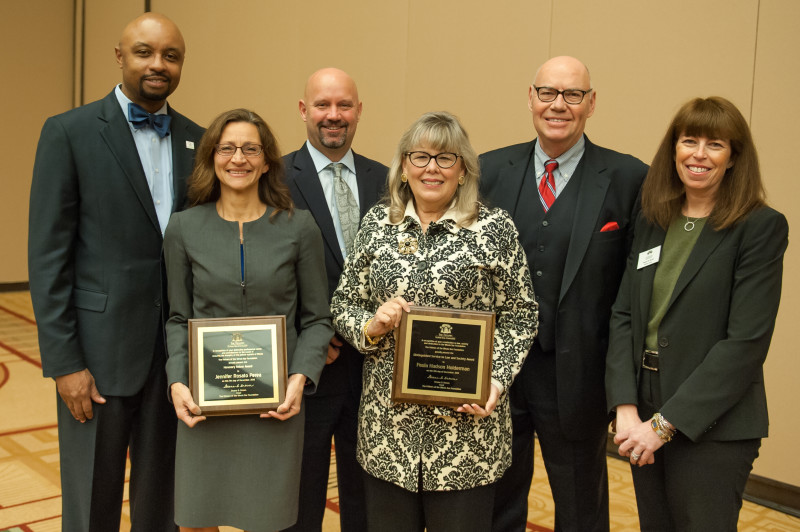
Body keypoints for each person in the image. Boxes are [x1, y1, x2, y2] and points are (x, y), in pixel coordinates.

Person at [27, 13, 203, 531]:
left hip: (172, 357)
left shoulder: (198, 139)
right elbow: (48, 258)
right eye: (145, 52)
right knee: (91, 500)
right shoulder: (69, 132)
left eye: (171, 55)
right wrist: (64, 363)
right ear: (120, 56)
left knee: (164, 501)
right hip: (97, 359)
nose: (158, 64)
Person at [331, 111, 538, 532]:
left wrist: (494, 381)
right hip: (388, 435)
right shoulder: (377, 224)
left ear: (463, 170)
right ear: (404, 166)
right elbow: (344, 303)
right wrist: (371, 325)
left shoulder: (495, 228)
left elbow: (521, 314)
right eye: (420, 156)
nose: (432, 168)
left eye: (446, 158)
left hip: (467, 438)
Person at [480, 56, 648, 532]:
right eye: (548, 93)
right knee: (498, 498)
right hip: (499, 372)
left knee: (580, 504)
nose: (559, 105)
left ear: (591, 104)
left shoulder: (629, 177)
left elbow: (634, 293)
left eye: (573, 95)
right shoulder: (489, 170)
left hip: (578, 375)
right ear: (530, 98)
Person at [606, 96, 788, 531]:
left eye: (715, 144)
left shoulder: (759, 227)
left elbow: (744, 344)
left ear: (733, 158)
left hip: (713, 424)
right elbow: (624, 315)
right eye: (689, 141)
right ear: (674, 149)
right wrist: (625, 406)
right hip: (645, 410)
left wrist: (664, 426)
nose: (699, 154)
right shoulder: (655, 218)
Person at [163, 108, 332, 531]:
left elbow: (317, 319)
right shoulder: (183, 228)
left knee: (268, 520)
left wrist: (300, 379)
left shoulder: (299, 227)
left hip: (276, 408)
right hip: (205, 406)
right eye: (227, 148)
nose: (238, 158)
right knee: (197, 517)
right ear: (211, 158)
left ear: (266, 161)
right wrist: (177, 382)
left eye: (250, 149)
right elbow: (178, 317)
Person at [282, 67, 387, 532]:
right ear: (304, 110)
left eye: (344, 105)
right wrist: (306, 339)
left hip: (373, 367)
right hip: (308, 368)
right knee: (300, 497)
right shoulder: (276, 178)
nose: (333, 115)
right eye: (322, 105)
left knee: (366, 498)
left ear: (359, 111)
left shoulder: (386, 179)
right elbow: (262, 274)